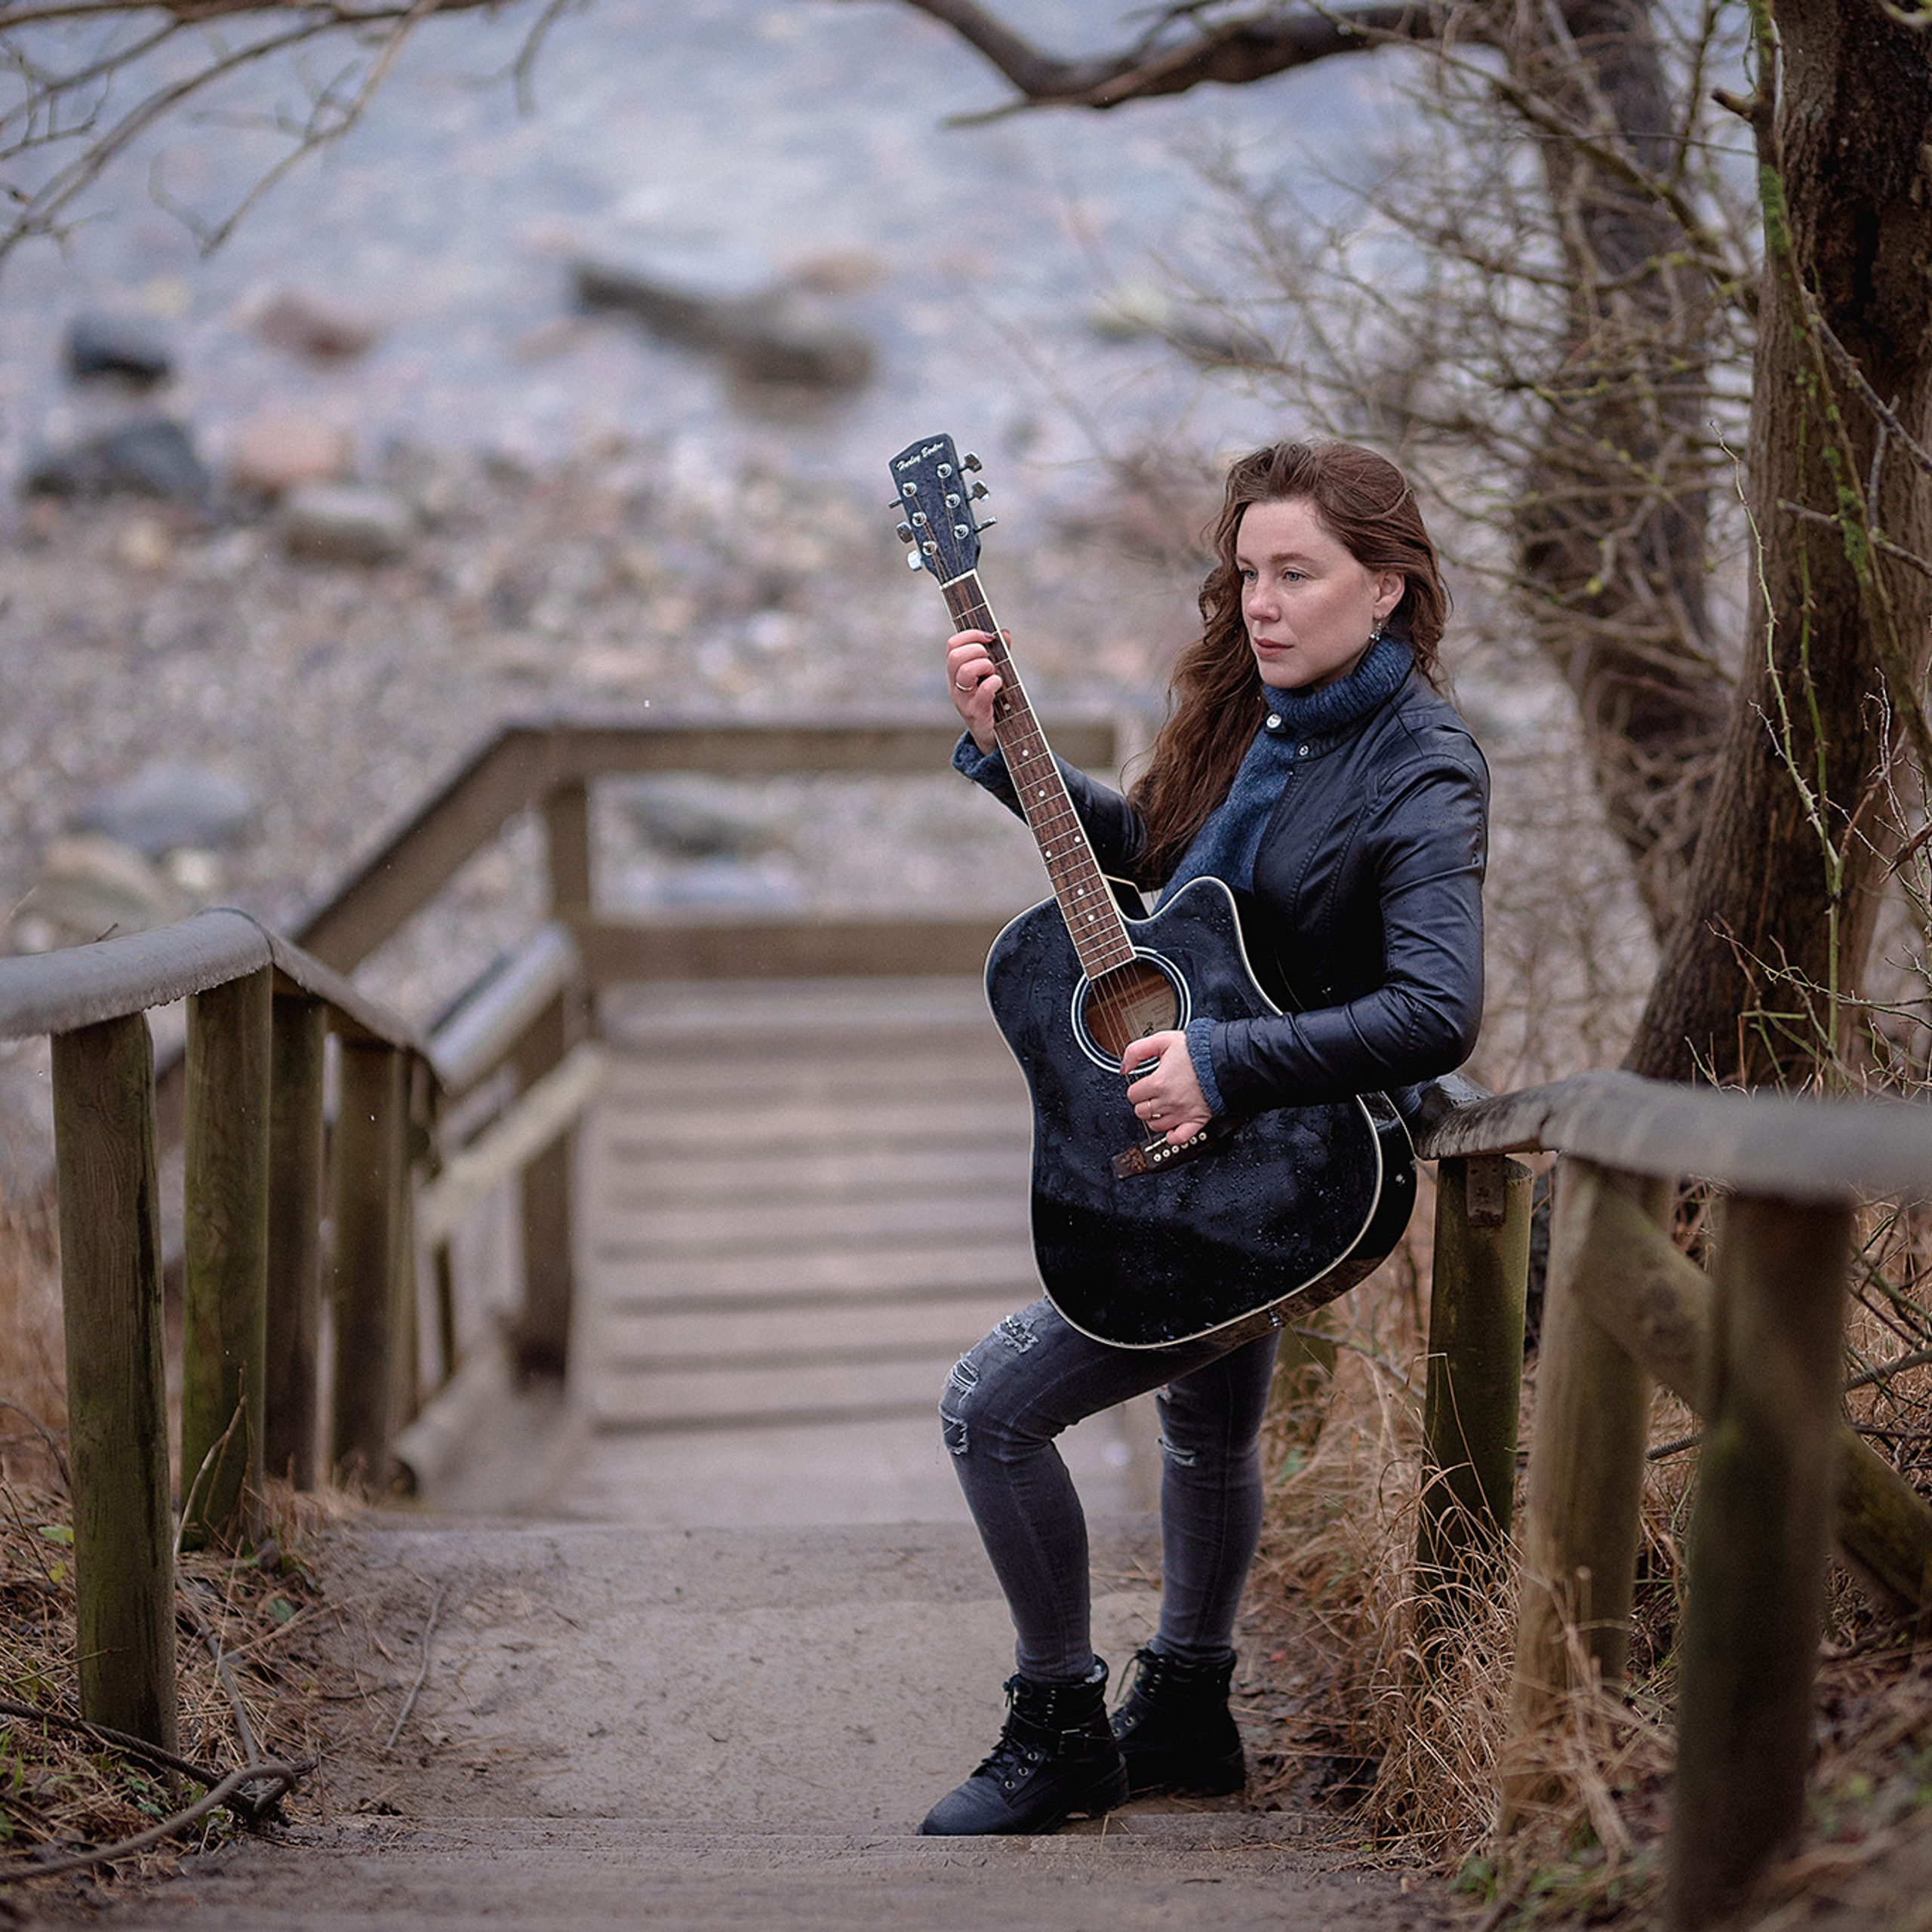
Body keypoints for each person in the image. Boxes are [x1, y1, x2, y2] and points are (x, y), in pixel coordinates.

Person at [919, 438, 1489, 1837]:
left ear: (1392, 588)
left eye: (1298, 575)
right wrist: (1015, 760)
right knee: (1203, 1418)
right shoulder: (1264, 717)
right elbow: (1175, 896)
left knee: (991, 1413)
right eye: (1246, 575)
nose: (1263, 606)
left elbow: (1437, 1009)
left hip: (1304, 1174)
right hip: (1237, 1145)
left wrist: (1224, 1064)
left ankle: (1061, 1728)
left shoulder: (1421, 767)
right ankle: (1183, 1711)